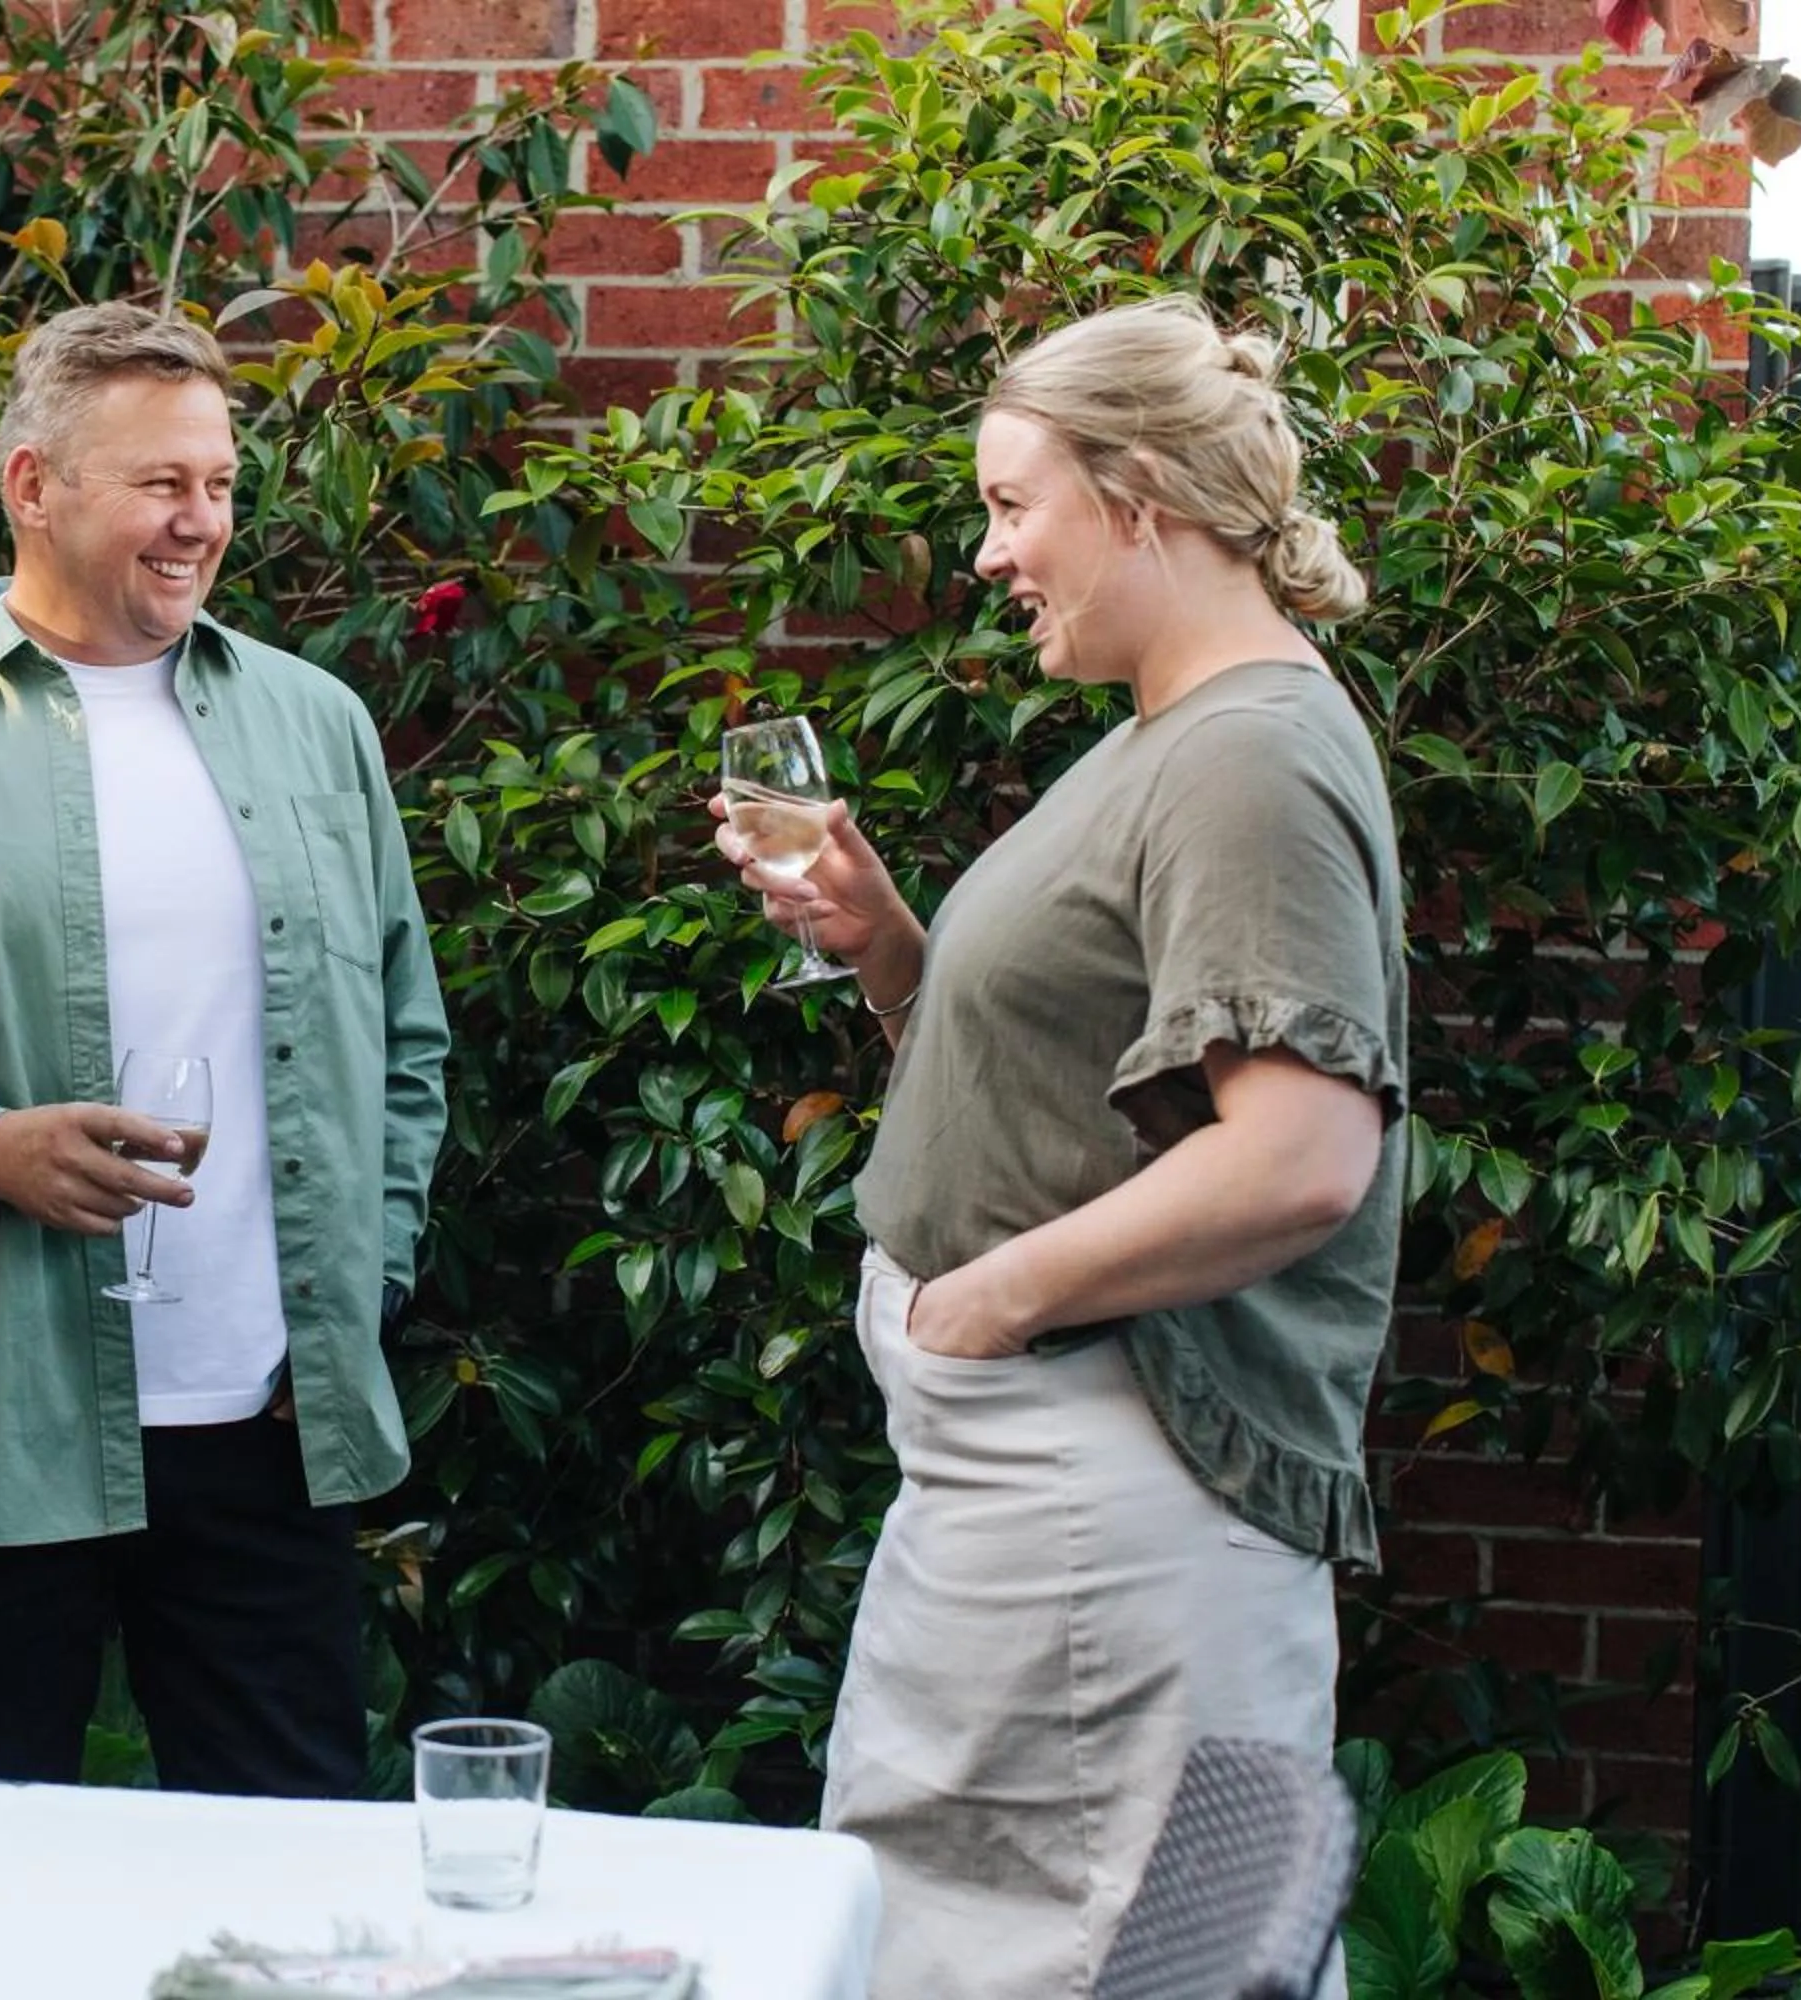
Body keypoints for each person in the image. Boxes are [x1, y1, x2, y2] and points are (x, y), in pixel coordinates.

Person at [717, 296, 1400, 1997]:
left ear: (1145, 495)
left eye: (1016, 505)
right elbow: (1084, 1094)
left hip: (1112, 1489)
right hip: (1055, 1483)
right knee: (996, 1932)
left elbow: (1303, 1155)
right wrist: (888, 949)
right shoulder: (1181, 730)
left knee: (1091, 1957)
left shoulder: (1242, 754)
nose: (989, 551)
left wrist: (988, 1302)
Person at [0, 303, 449, 1798]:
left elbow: (404, 1036)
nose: (199, 520)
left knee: (294, 1874)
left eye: (215, 482)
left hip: (269, 1419)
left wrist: (367, 1277)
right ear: (34, 487)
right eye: (160, 483)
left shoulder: (315, 725)